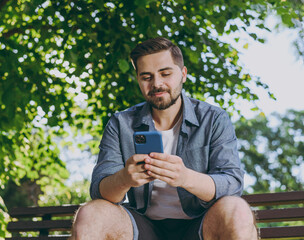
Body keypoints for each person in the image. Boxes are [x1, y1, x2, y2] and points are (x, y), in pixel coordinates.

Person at [71, 37, 257, 240]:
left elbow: (232, 183)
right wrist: (124, 178)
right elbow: (99, 191)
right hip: (141, 227)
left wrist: (186, 177)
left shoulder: (213, 119)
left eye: (165, 73)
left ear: (183, 74)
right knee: (91, 213)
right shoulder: (120, 123)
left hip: (200, 225)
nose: (157, 84)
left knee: (237, 209)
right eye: (146, 77)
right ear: (138, 80)